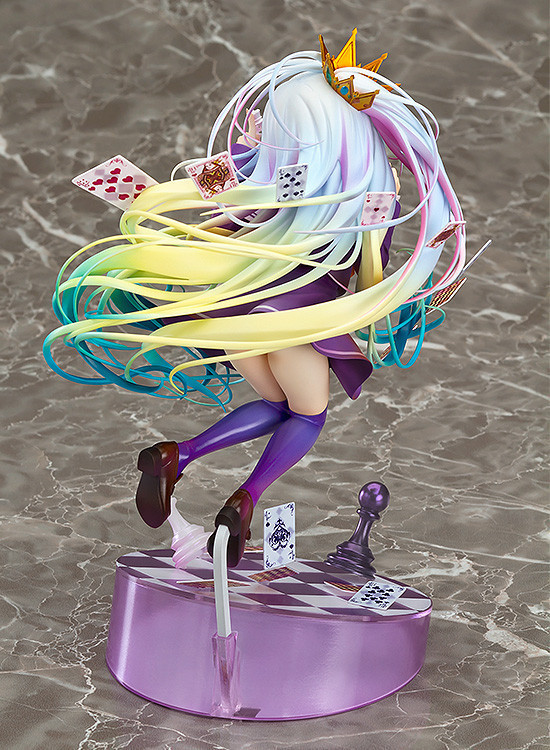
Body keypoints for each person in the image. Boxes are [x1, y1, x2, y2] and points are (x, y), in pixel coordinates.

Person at [44, 30, 465, 566]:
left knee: (277, 406)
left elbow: (217, 219)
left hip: (239, 320)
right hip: (294, 326)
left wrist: (175, 223)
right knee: (308, 417)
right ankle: (245, 498)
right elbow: (367, 283)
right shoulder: (369, 201)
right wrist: (394, 273)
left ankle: (177, 455)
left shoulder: (257, 174)